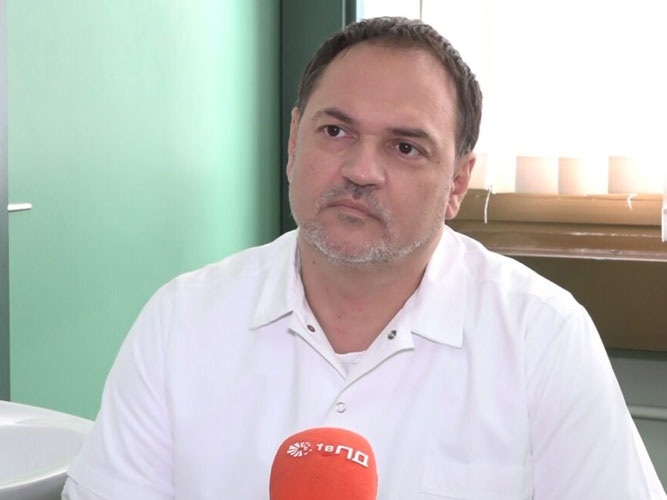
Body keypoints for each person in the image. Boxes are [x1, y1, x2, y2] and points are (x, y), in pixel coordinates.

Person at [63, 17, 666, 499]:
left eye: (405, 147)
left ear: (457, 184)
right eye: (335, 132)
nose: (360, 170)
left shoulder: (542, 336)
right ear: (293, 142)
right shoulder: (180, 321)